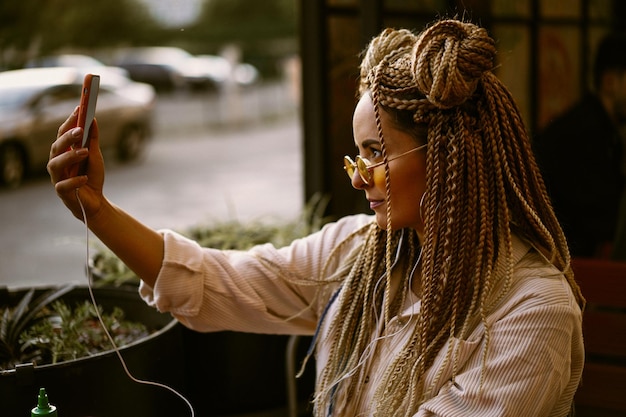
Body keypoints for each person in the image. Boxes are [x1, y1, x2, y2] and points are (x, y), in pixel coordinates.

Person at [48, 19, 584, 417]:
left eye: (376, 153)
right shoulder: (362, 251)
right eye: (358, 154)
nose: (358, 177)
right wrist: (96, 211)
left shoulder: (533, 311)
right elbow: (221, 281)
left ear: (446, 158)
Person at [534, 33, 626, 259]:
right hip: (559, 268)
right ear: (610, 82)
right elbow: (598, 224)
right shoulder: (585, 134)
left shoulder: (598, 129)